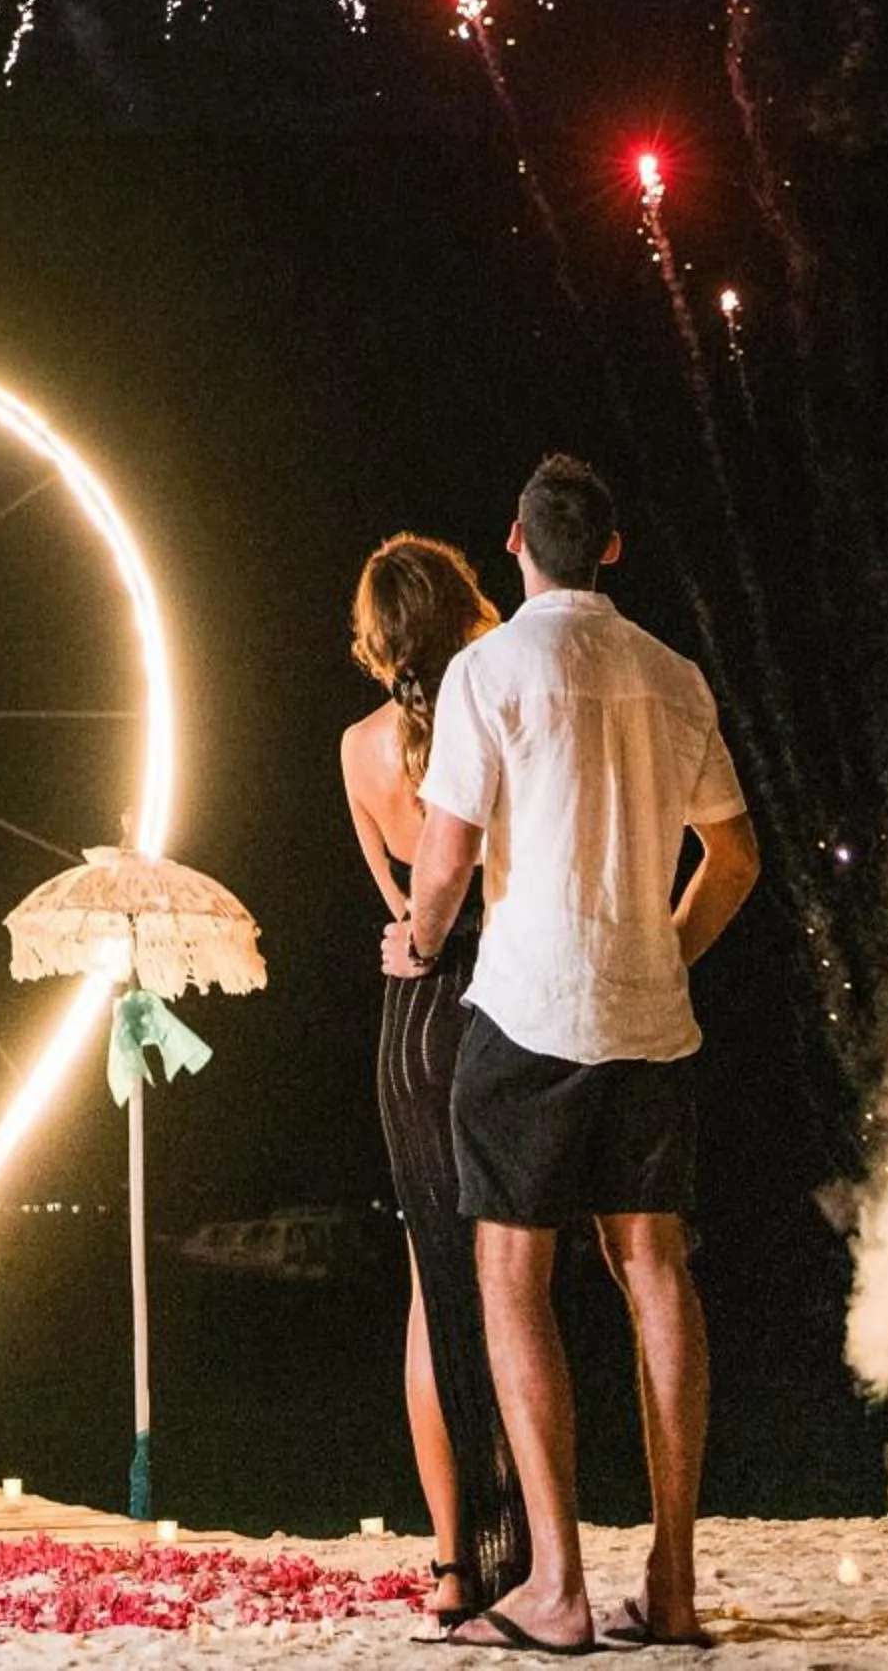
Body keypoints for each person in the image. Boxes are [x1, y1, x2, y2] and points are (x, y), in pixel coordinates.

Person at [384, 454, 760, 1654]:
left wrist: (416, 940)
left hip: (529, 1012)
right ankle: (677, 1581)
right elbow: (737, 858)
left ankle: (556, 1585)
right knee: (656, 1270)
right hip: (650, 1015)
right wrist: (665, 950)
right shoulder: (674, 675)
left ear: (515, 541)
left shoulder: (487, 671)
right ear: (609, 546)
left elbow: (443, 865)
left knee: (512, 1280)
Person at [341, 534, 525, 1629]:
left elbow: (401, 912)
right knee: (508, 1278)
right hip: (497, 996)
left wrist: (418, 933)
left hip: (407, 1020)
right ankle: (523, 1539)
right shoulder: (495, 716)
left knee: (431, 1290)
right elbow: (492, 881)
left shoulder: (358, 748)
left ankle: (455, 1563)